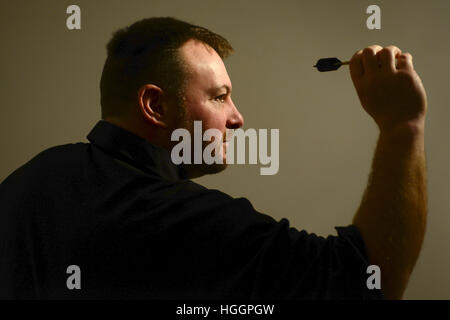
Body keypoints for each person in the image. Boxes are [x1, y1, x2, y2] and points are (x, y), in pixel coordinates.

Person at [0, 17, 427, 300]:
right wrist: (402, 125)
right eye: (219, 97)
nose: (238, 119)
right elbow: (366, 281)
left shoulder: (30, 180)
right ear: (156, 106)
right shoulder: (171, 217)